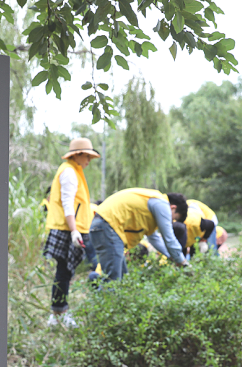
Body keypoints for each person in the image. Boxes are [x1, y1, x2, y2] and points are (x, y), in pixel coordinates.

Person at [43, 138, 100, 327]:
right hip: (67, 229)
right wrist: (74, 230)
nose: (89, 160)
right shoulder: (69, 172)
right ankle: (58, 313)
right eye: (87, 156)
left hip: (71, 228)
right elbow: (68, 203)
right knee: (64, 271)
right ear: (77, 155)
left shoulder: (75, 171)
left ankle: (59, 312)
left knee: (66, 271)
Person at [90, 188, 189, 281]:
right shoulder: (161, 204)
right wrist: (183, 262)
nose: (171, 221)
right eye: (173, 219)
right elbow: (169, 237)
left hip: (104, 226)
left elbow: (154, 238)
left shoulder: (153, 203)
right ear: (173, 208)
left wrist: (171, 256)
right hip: (108, 226)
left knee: (123, 279)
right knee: (113, 280)